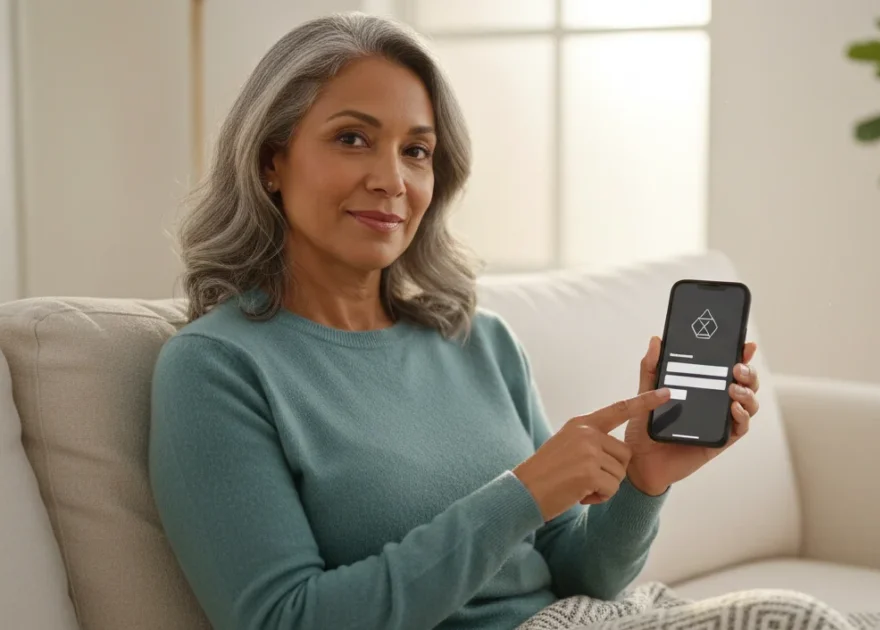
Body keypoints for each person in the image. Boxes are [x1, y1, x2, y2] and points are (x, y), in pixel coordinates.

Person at [148, 12, 761, 630]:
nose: (392, 180)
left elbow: (582, 574)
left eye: (416, 151)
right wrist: (520, 495)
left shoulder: (481, 341)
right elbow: (286, 620)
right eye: (352, 138)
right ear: (269, 162)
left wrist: (645, 481)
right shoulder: (215, 368)